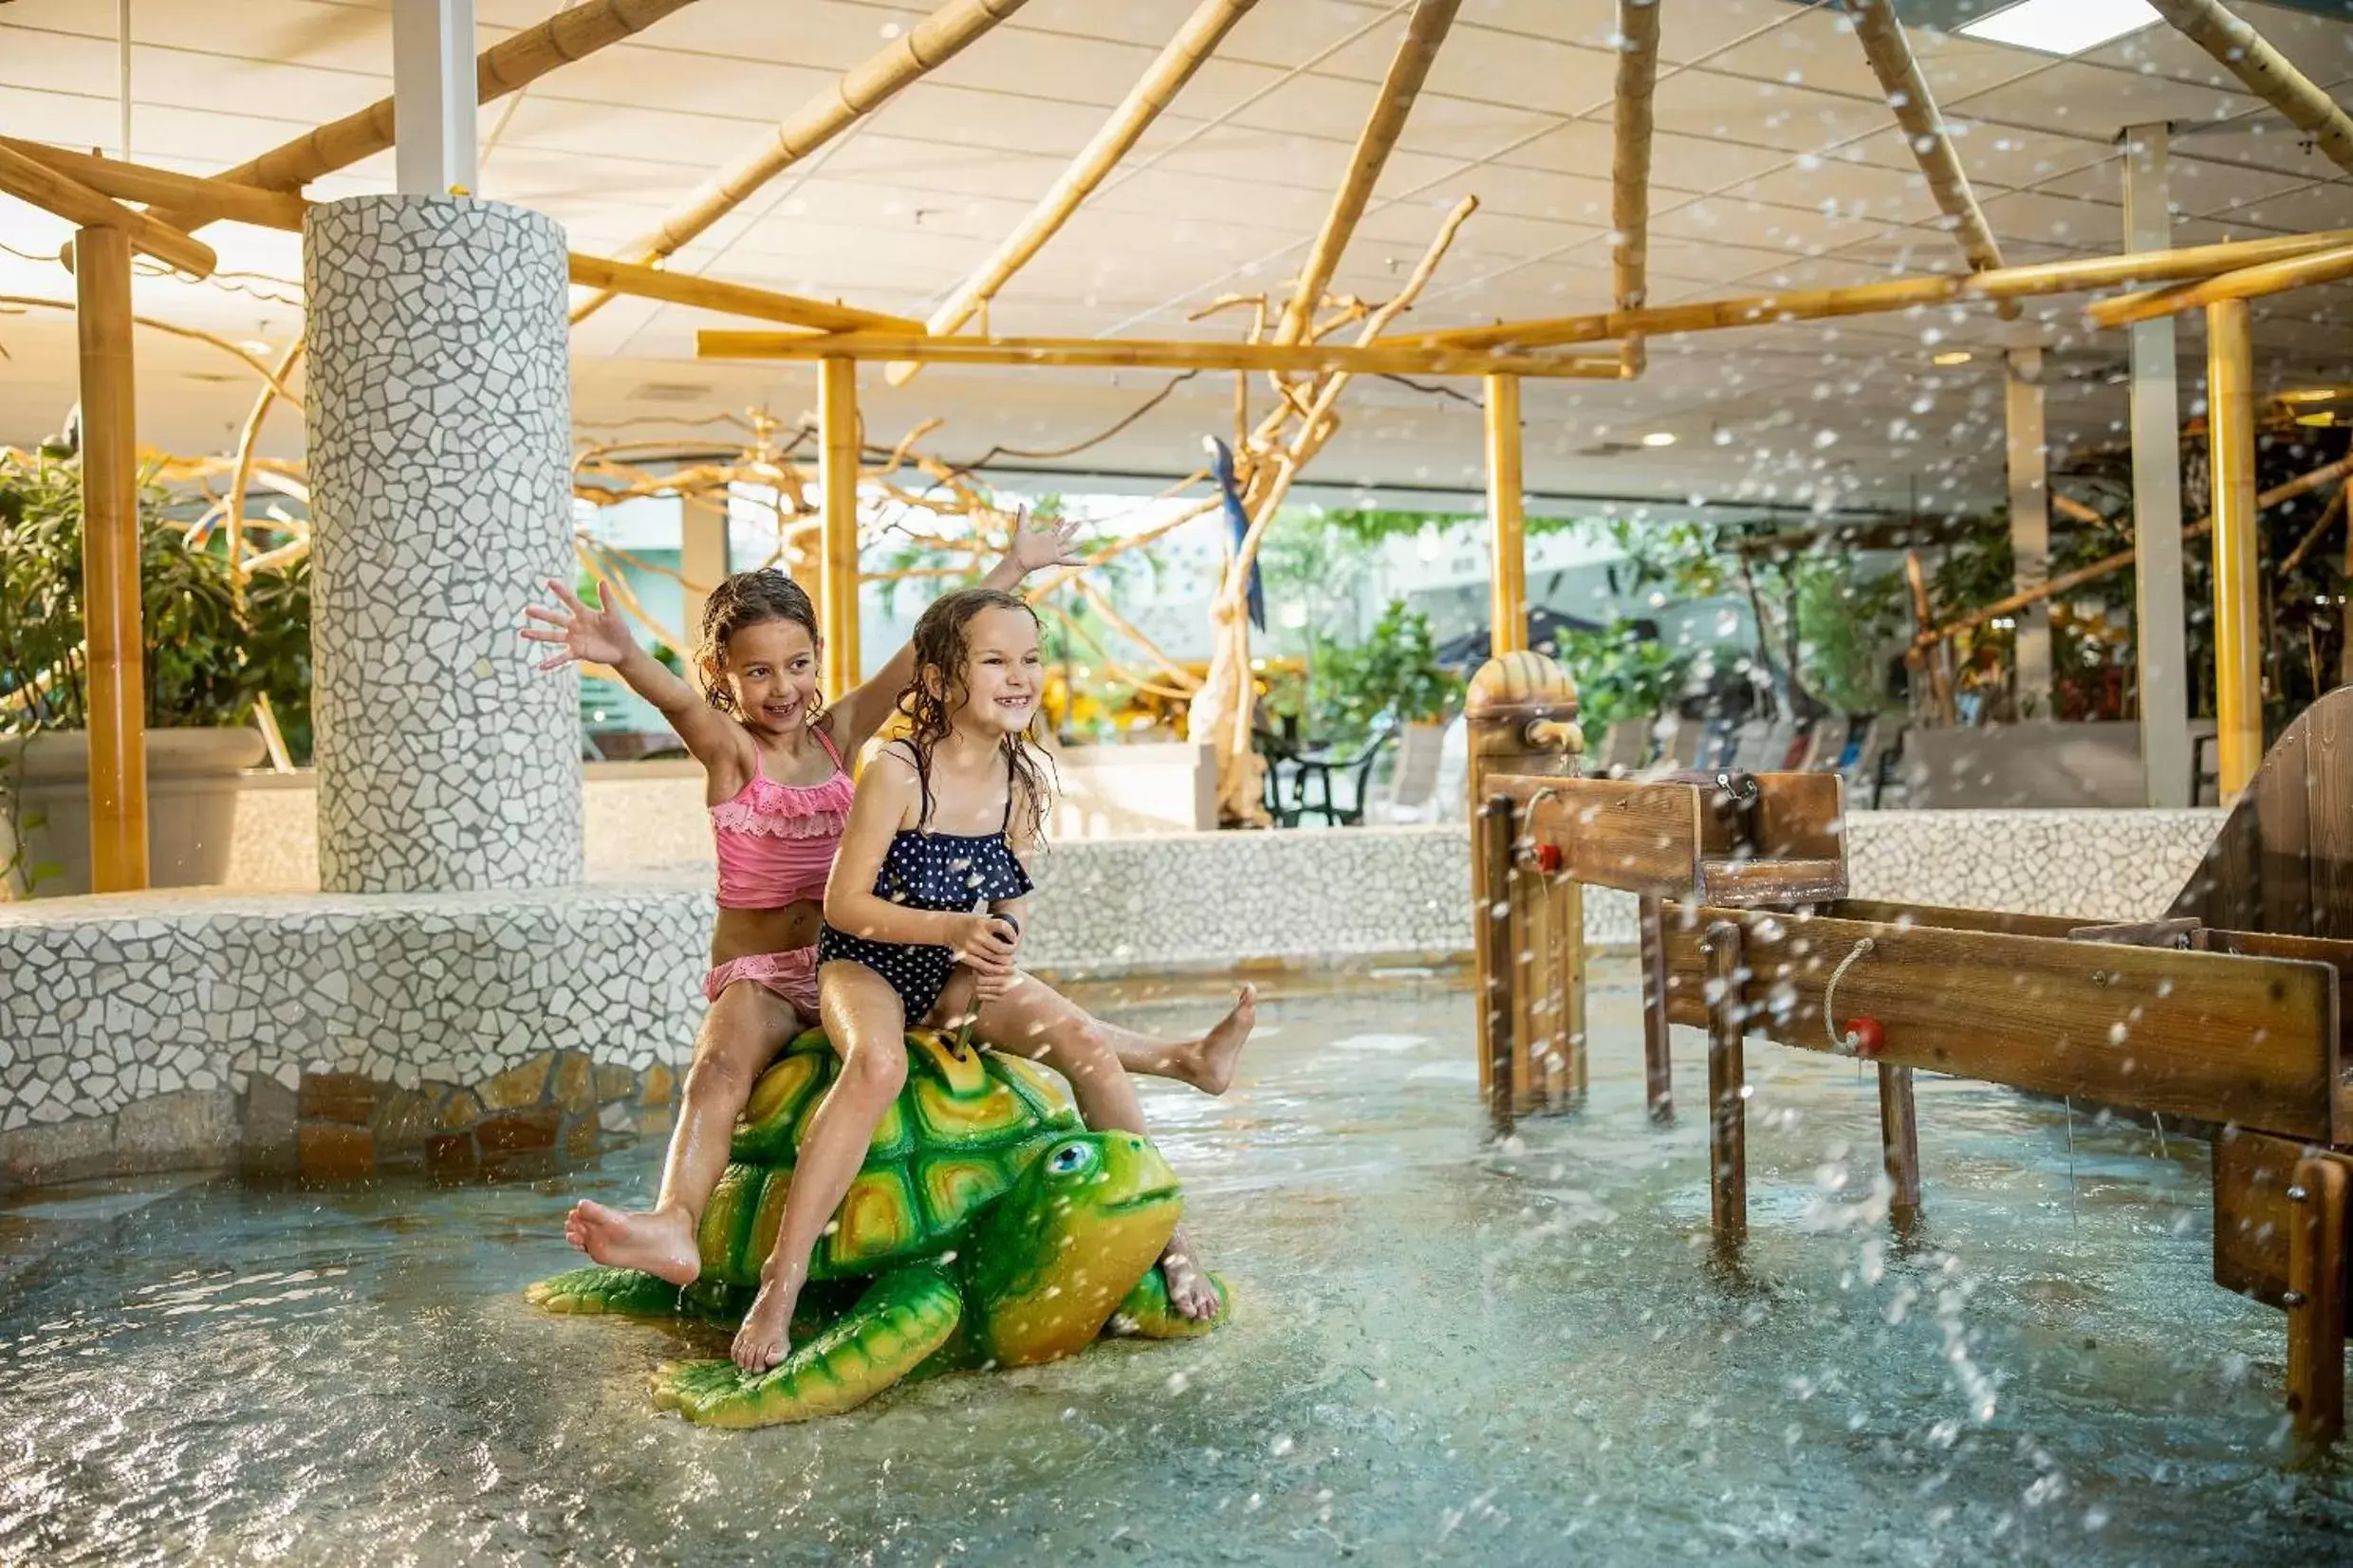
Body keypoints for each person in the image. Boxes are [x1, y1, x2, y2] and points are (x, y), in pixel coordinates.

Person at [519, 530, 1253, 1306]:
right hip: (770, 978)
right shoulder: (733, 751)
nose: (782, 688)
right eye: (758, 671)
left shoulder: (841, 739)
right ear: (722, 678)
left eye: (798, 665)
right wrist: (627, 657)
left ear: (818, 658)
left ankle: (1181, 1084)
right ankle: (675, 1221)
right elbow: (672, 702)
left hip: (874, 956)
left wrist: (1011, 571)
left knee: (1055, 1022)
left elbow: (926, 653)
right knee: (718, 1073)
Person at [728, 586, 1233, 1372]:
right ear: (937, 681)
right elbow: (845, 904)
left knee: (1083, 1044)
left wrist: (999, 948)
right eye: (994, 660)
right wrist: (949, 930)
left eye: (1029, 659)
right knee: (878, 1063)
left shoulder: (1024, 777)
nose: (1018, 675)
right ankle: (782, 1281)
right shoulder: (896, 768)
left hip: (956, 968)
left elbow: (1011, 896)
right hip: (865, 964)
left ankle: (1174, 1244)